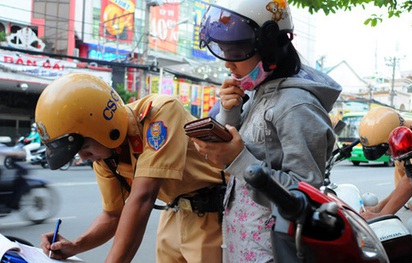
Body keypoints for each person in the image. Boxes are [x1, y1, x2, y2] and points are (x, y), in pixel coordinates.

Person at [195, 0, 342, 261]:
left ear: (269, 47)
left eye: (236, 52)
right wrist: (231, 110)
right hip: (244, 243)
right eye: (224, 51)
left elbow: (305, 198)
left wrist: (237, 160)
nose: (228, 65)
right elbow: (246, 144)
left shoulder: (296, 105)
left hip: (274, 250)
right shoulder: (258, 94)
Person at [35, 73, 227, 262]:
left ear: (104, 127)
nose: (84, 157)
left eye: (84, 147)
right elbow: (112, 215)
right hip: (173, 213)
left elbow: (143, 197)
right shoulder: (106, 156)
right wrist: (76, 246)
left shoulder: (161, 112)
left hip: (211, 214)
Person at [359, 107, 412, 220]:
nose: (388, 154)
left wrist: (382, 215)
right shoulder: (401, 141)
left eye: (387, 150)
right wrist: (377, 208)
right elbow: (405, 182)